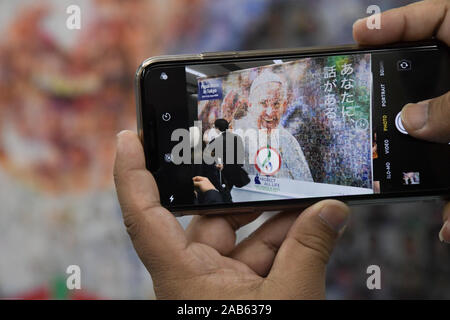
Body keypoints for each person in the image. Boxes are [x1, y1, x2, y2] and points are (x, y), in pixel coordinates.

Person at [114, 0, 450, 299]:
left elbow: (307, 179)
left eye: (278, 103)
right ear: (252, 103)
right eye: (265, 102)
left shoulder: (288, 140)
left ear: (285, 105)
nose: (271, 109)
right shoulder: (234, 137)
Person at [240, 70, 313, 181]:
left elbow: (307, 183)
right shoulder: (240, 137)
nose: (270, 112)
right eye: (263, 103)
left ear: (283, 106)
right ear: (250, 105)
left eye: (276, 104)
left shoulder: (288, 139)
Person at [204, 118, 249, 202]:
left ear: (217, 128)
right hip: (235, 171)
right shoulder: (237, 138)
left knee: (224, 193)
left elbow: (209, 157)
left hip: (222, 172)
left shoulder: (215, 141)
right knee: (227, 191)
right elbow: (241, 155)